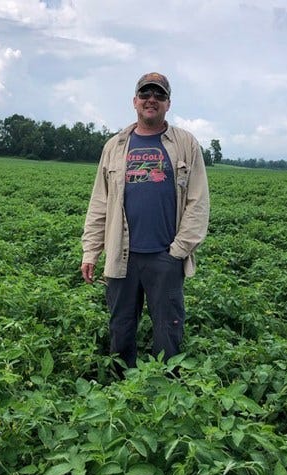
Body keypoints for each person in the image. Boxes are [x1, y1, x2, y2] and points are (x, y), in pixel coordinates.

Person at [81, 72, 210, 374]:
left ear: (168, 103)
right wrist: (91, 251)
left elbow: (198, 201)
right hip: (121, 254)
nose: (151, 99)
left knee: (169, 329)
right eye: (145, 94)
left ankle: (166, 391)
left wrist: (178, 250)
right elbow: (99, 202)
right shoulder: (115, 145)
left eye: (159, 95)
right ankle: (122, 392)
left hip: (165, 256)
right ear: (135, 101)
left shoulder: (185, 144)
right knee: (121, 326)